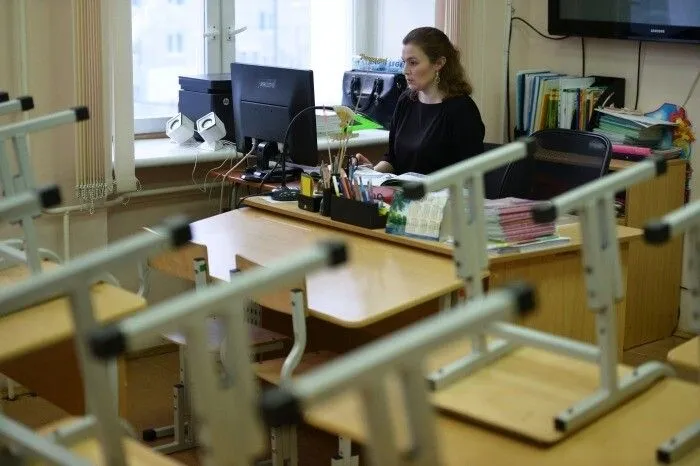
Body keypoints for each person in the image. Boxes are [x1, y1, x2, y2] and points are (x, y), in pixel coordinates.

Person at [356, 27, 485, 175]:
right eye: (404, 62)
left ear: (438, 63)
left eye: (413, 63)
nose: (405, 71)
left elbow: (471, 175)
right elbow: (392, 159)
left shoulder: (462, 110)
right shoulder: (406, 100)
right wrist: (372, 173)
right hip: (403, 189)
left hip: (441, 190)